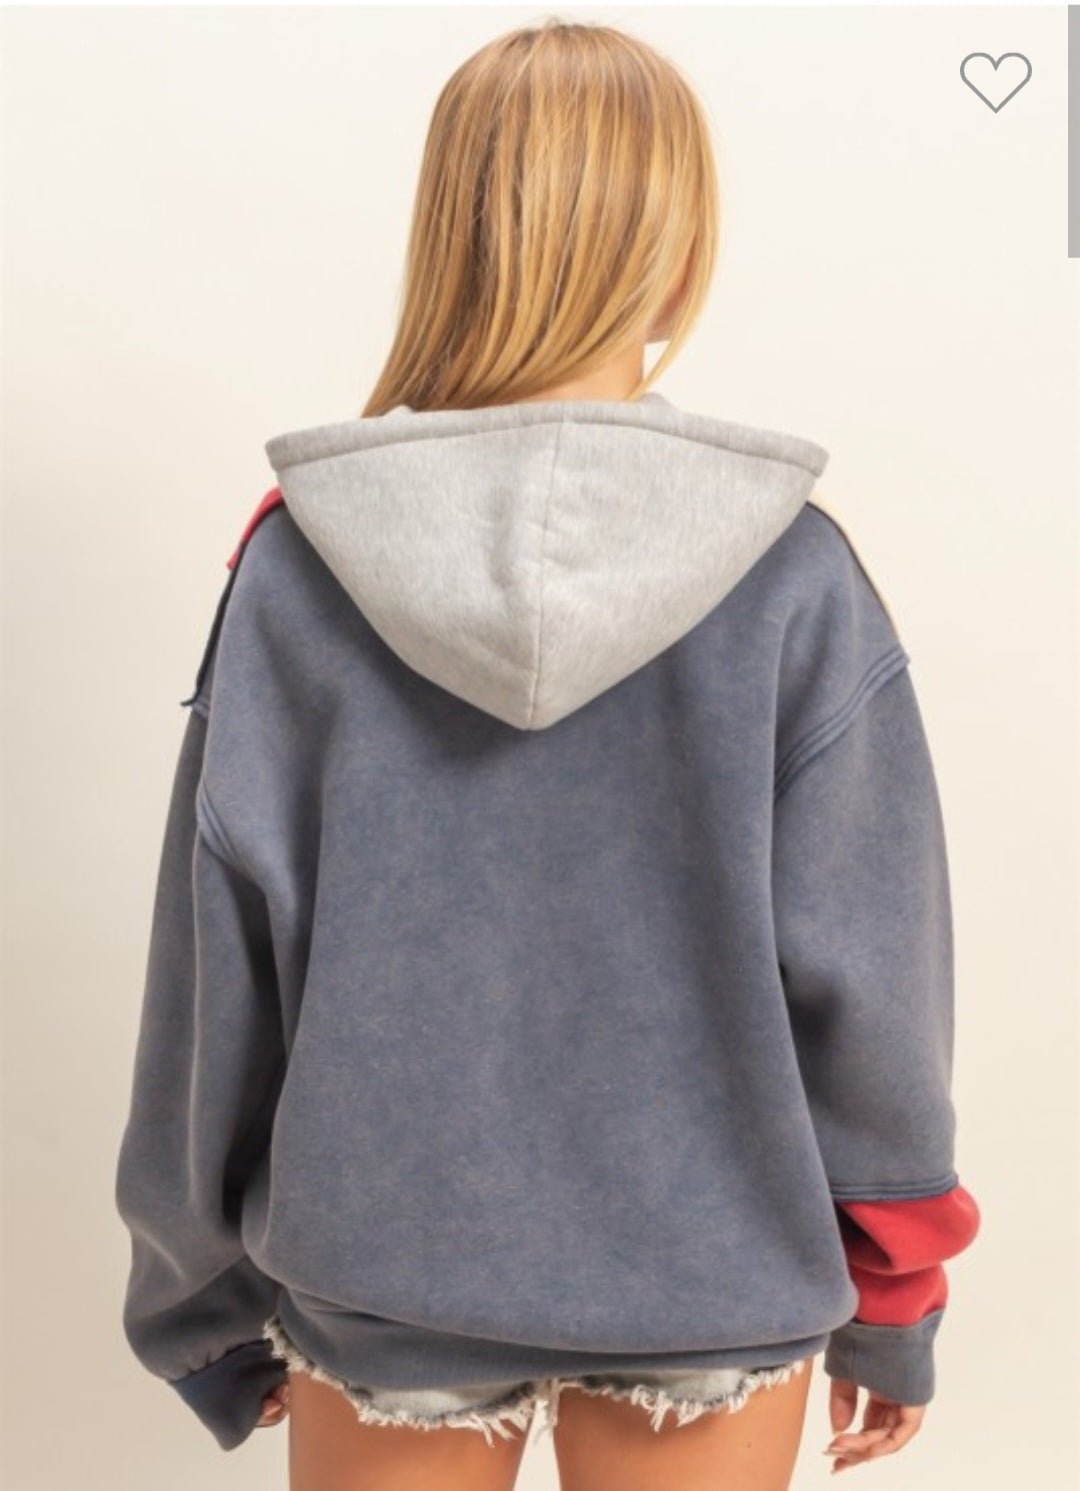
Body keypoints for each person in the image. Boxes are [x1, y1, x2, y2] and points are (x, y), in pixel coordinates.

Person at [113, 18, 981, 1491]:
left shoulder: (297, 570)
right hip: (715, 1275)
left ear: (451, 238)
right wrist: (895, 1296)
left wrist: (195, 1303)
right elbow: (874, 982)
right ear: (677, 254)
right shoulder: (793, 573)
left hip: (383, 1269)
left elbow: (216, 976)